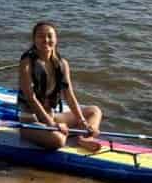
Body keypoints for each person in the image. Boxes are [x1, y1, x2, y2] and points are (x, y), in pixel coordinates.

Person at [17, 21, 103, 152]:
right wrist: (52, 125)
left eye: (50, 36)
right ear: (34, 40)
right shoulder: (27, 62)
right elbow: (30, 97)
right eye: (40, 36)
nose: (46, 40)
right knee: (59, 140)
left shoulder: (62, 64)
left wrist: (82, 121)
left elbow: (69, 94)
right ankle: (65, 134)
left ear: (56, 39)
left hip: (52, 116)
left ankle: (85, 139)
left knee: (94, 111)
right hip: (31, 121)